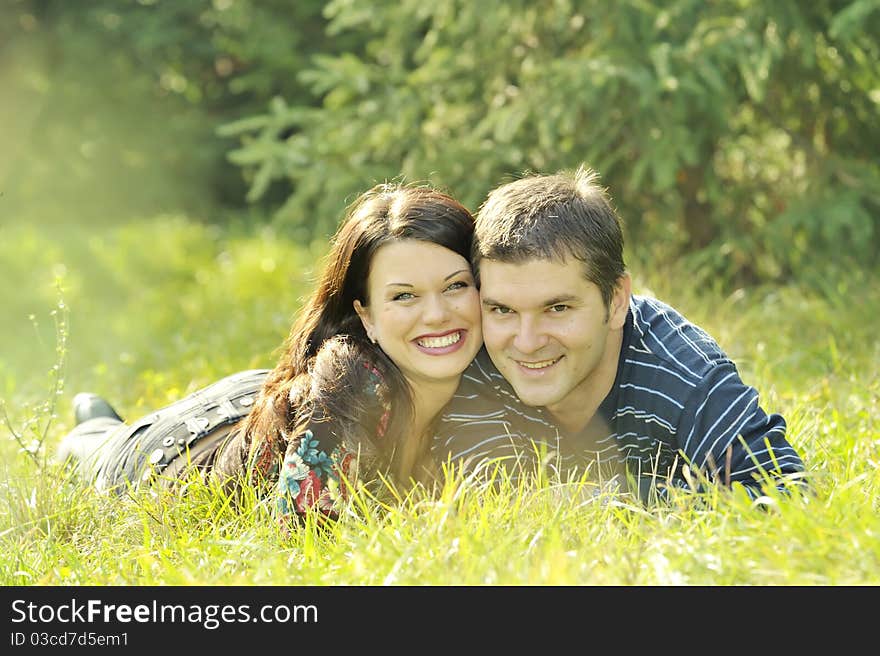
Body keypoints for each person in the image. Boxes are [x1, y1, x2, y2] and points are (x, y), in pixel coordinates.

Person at [56, 182, 483, 524]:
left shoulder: (492, 364)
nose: (437, 314)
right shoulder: (356, 384)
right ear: (365, 315)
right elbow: (306, 530)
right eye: (404, 296)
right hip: (176, 451)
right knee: (93, 447)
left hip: (265, 397)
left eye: (456, 286)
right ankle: (95, 427)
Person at [432, 165, 807, 503]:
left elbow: (789, 492)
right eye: (503, 310)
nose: (527, 342)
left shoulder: (684, 375)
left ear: (616, 300)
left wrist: (617, 499)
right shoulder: (474, 360)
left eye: (557, 308)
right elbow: (484, 498)